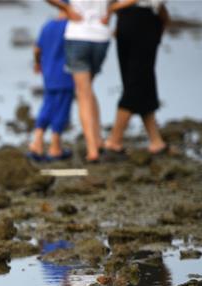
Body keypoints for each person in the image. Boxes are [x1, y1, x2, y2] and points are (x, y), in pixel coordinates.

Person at [102, 0, 170, 155]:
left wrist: (115, 8)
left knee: (141, 81)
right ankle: (114, 141)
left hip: (128, 19)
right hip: (140, 20)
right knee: (137, 82)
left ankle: (156, 141)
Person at [48, 0, 111, 163]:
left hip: (78, 35)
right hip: (101, 37)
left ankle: (92, 150)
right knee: (88, 88)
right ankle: (98, 140)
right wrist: (110, 10)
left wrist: (66, 7)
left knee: (83, 93)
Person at [28, 4, 75, 162]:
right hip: (65, 74)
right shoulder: (71, 26)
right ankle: (55, 147)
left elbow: (37, 49)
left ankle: (37, 142)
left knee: (47, 105)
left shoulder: (47, 26)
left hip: (48, 73)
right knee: (62, 107)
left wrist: (37, 63)